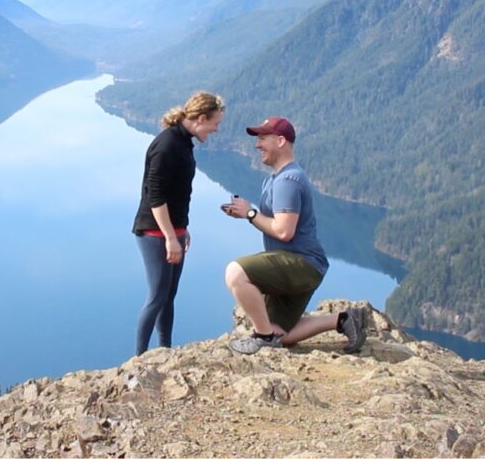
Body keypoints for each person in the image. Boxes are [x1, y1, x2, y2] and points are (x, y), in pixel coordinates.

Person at [222, 116, 366, 355]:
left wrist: (249, 213)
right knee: (282, 333)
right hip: (302, 265)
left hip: (301, 265)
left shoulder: (288, 180)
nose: (257, 145)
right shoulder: (276, 178)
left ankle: (263, 337)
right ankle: (345, 320)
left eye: (263, 139)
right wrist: (246, 212)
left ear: (280, 141)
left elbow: (283, 231)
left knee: (235, 273)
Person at [132, 91, 225, 356]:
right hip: (154, 232)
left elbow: (176, 194)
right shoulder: (167, 144)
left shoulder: (183, 142)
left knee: (168, 295)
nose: (216, 129)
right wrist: (171, 237)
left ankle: (164, 351)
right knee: (157, 296)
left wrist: (182, 228)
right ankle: (139, 359)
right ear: (201, 118)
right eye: (215, 123)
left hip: (173, 230)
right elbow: (156, 196)